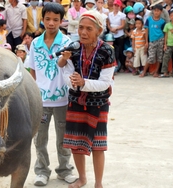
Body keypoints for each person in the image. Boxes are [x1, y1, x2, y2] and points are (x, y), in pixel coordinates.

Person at [57, 10, 116, 188]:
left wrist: (82, 83)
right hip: (76, 101)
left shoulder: (107, 51)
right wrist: (73, 82)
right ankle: (82, 178)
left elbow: (105, 83)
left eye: (88, 29)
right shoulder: (73, 48)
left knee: (98, 145)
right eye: (81, 27)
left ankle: (98, 183)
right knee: (76, 143)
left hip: (99, 103)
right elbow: (65, 72)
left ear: (99, 31)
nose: (83, 32)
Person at [26, 2, 75, 186]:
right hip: (41, 101)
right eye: (48, 19)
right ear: (42, 19)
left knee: (64, 139)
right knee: (40, 139)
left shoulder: (67, 43)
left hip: (63, 100)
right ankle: (41, 171)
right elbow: (32, 70)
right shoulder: (36, 43)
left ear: (62, 21)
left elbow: (71, 69)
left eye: (56, 19)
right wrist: (34, 94)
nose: (51, 23)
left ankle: (64, 170)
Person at [140, 4, 165, 77]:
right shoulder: (149, 19)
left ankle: (156, 72)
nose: (156, 12)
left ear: (161, 12)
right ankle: (144, 72)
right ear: (153, 11)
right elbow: (146, 30)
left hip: (160, 39)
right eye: (155, 11)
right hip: (152, 40)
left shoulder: (162, 21)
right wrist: (146, 41)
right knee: (151, 57)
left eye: (158, 11)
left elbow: (164, 32)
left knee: (159, 57)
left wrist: (164, 43)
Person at [107, 0, 126, 71]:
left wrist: (116, 28)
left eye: (117, 5)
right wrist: (111, 29)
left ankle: (121, 66)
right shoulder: (110, 14)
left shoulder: (122, 15)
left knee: (120, 51)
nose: (116, 7)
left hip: (119, 35)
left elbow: (123, 25)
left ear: (119, 6)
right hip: (111, 35)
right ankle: (112, 66)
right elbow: (108, 24)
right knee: (112, 50)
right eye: (115, 5)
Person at [159, 9, 173, 77]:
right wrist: (165, 44)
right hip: (169, 44)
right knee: (165, 58)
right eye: (171, 15)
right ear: (169, 17)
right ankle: (165, 72)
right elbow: (166, 35)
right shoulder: (167, 25)